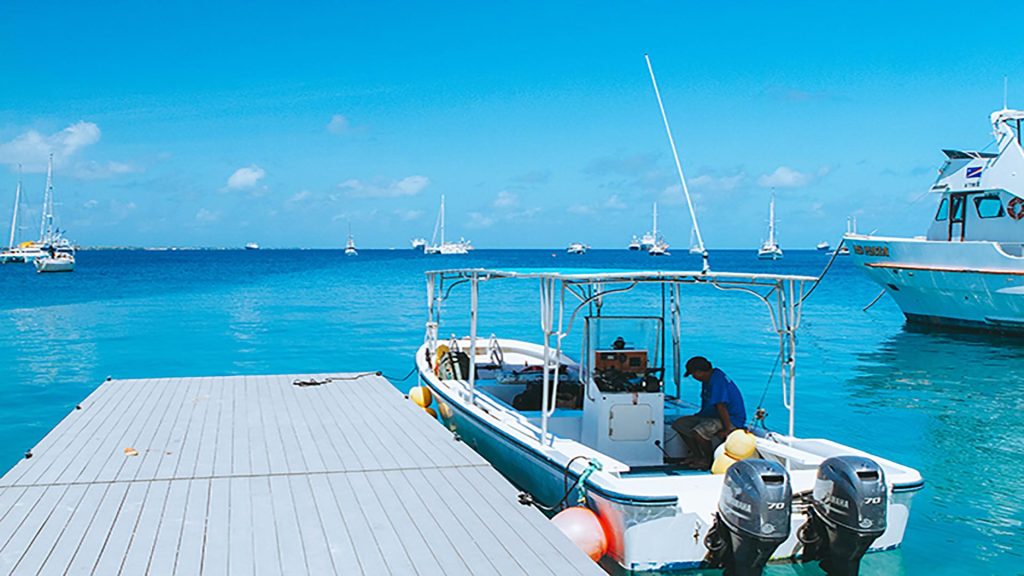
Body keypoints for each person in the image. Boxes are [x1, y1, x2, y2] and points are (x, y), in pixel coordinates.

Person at [671, 356, 747, 469]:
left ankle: (707, 460)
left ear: (699, 372)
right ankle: (697, 455)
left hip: (730, 418)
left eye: (693, 374)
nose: (694, 377)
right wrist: (698, 417)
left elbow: (721, 406)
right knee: (680, 424)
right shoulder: (708, 380)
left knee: (700, 432)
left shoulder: (717, 381)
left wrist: (728, 429)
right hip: (712, 416)